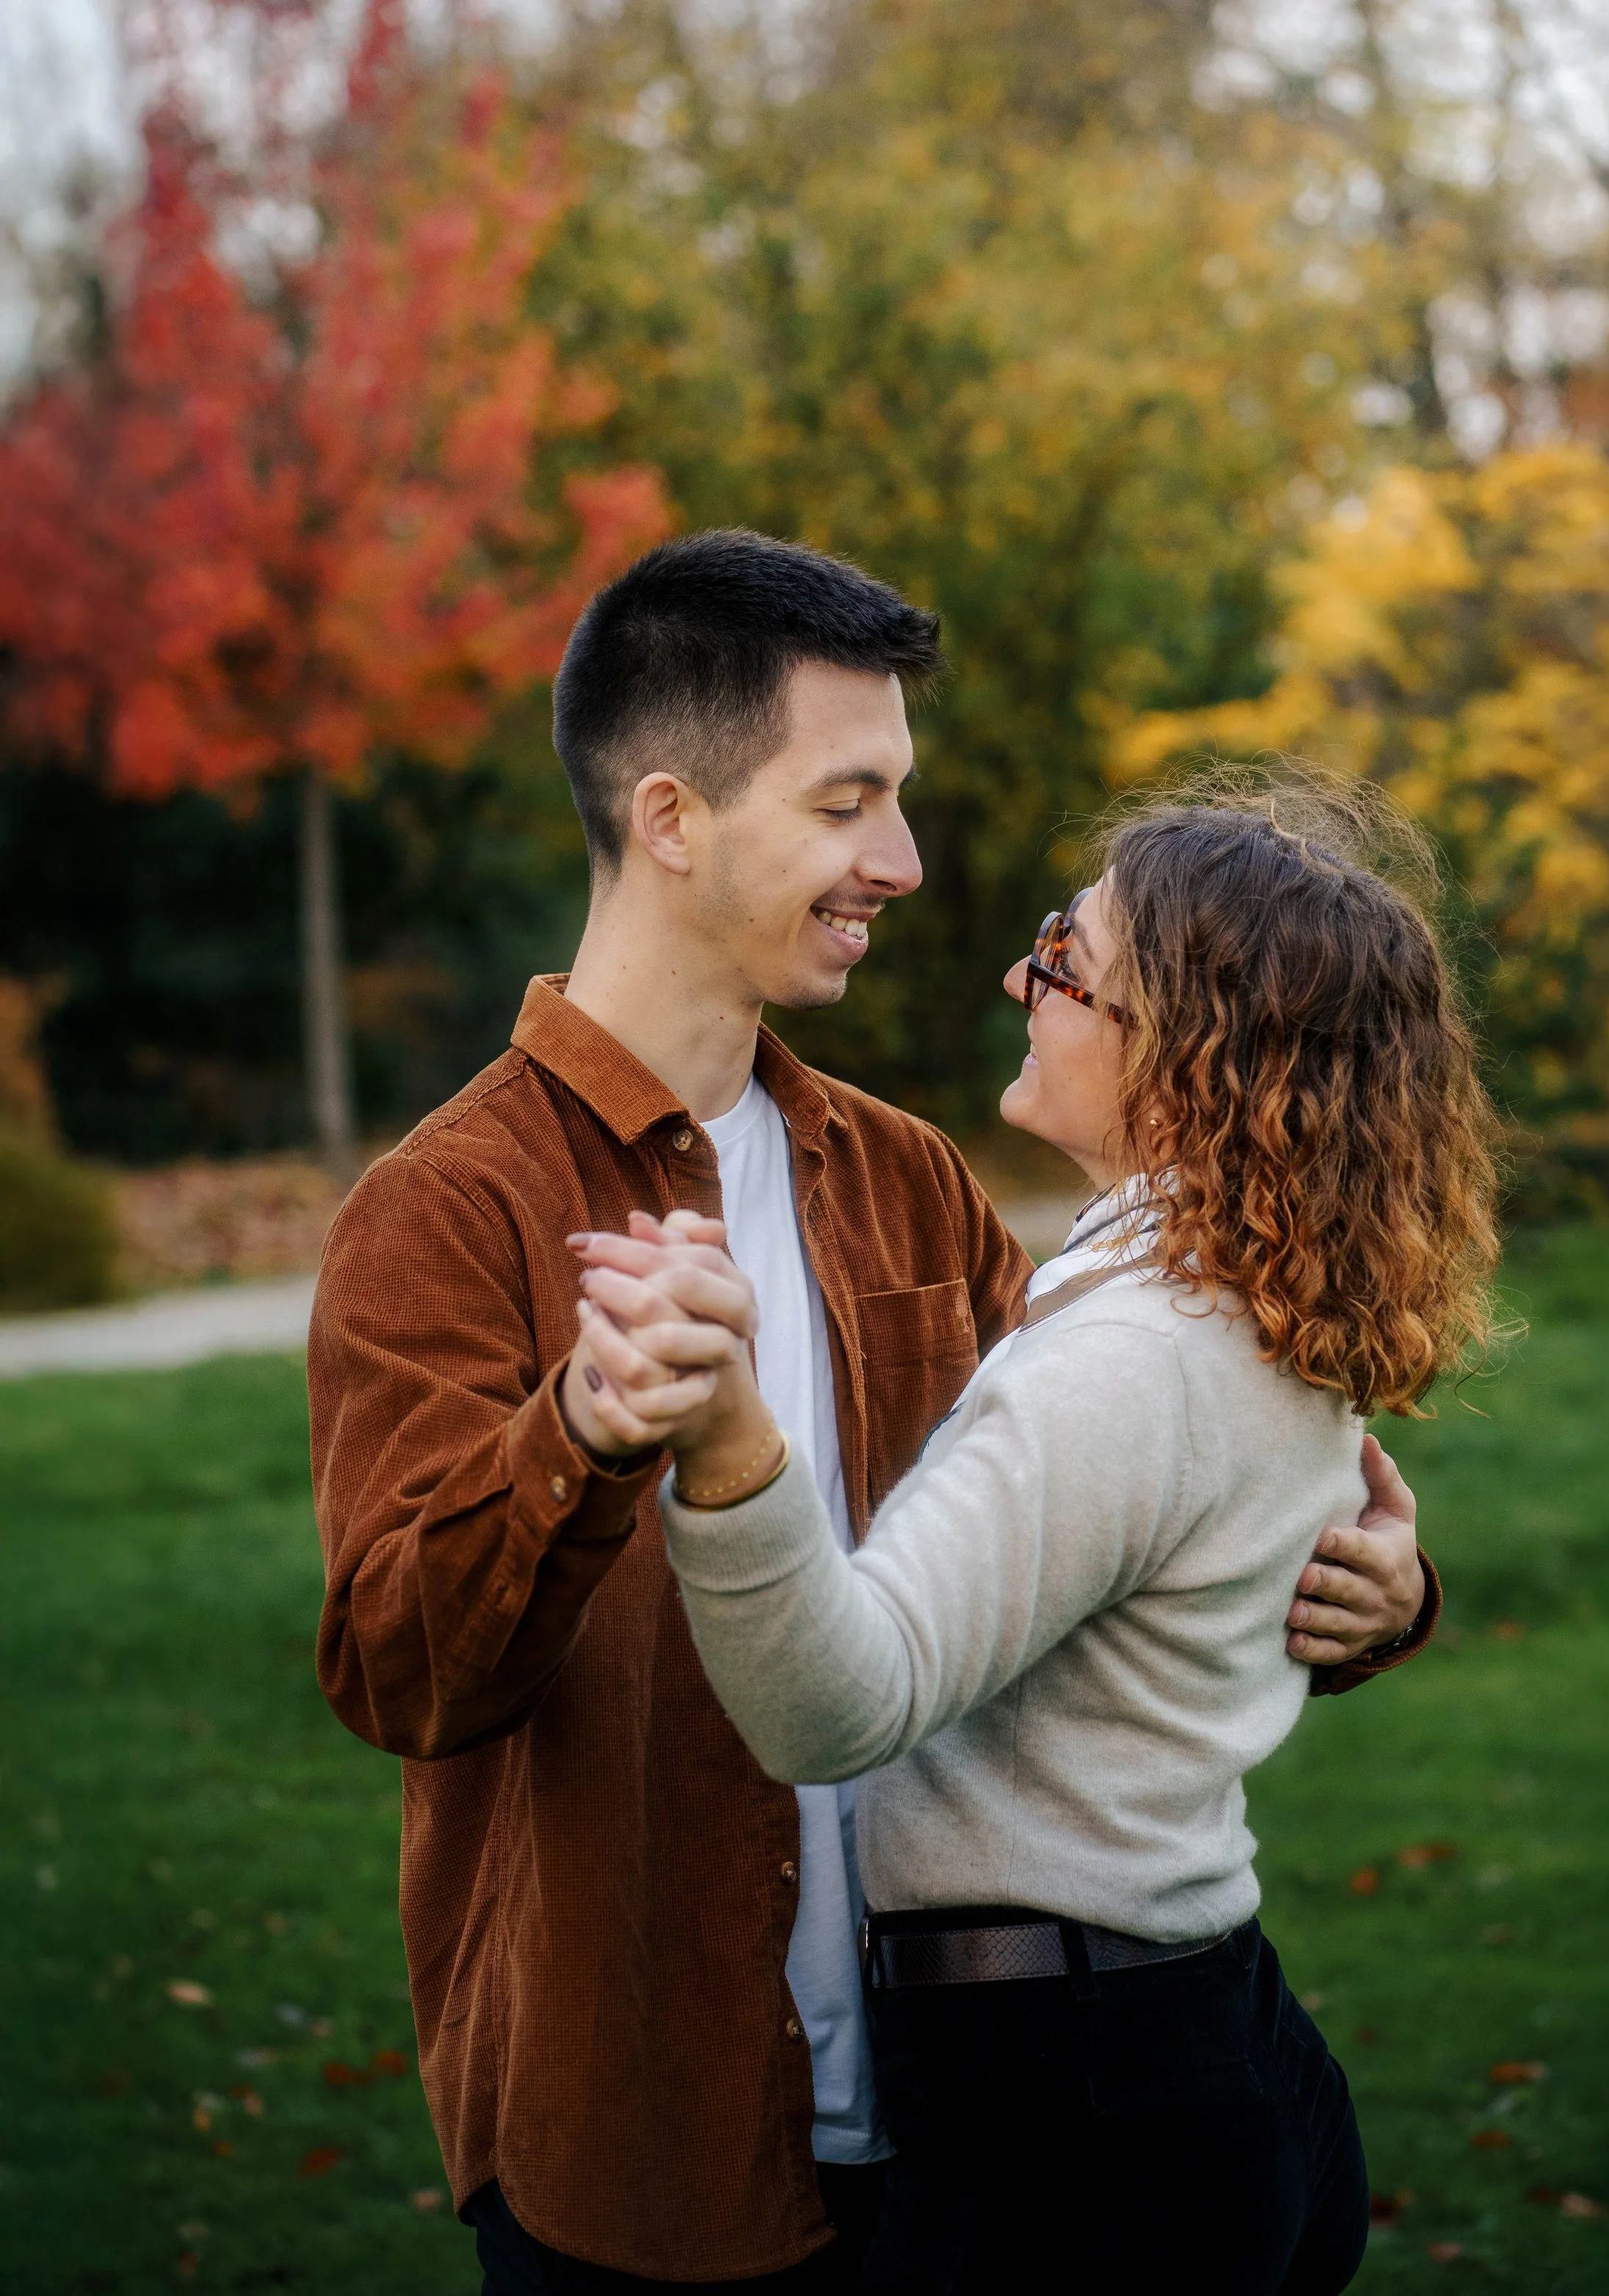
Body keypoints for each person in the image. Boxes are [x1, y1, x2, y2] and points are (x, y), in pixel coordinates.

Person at [308, 533, 1441, 2292]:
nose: (901, 864)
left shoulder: (905, 1177)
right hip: (645, 2150)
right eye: (849, 804)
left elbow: (1089, 1529)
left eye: (894, 802)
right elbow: (398, 1673)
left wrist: (1369, 1594)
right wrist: (580, 1435)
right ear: (674, 818)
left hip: (972, 2136)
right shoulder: (444, 1207)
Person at [568, 776, 1500, 2294]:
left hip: (1079, 2121)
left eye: (1064, 959)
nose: (1019, 977)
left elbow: (829, 1706)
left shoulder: (1131, 1352)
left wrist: (726, 1442)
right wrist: (1388, 1593)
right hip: (1173, 2052)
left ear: (1185, 1049)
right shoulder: (1237, 1293)